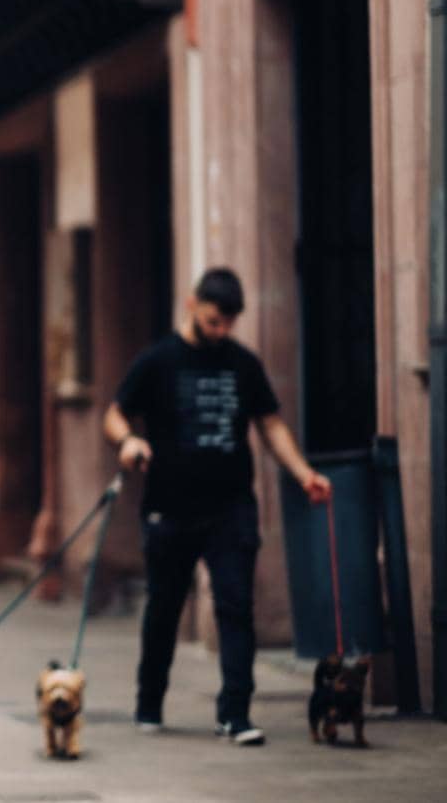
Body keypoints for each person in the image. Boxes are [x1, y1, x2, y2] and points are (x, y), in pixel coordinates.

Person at [103, 267, 332, 746]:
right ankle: (149, 700)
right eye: (213, 322)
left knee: (235, 607)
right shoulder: (158, 361)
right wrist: (128, 441)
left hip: (231, 508)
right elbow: (115, 412)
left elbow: (270, 425)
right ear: (192, 305)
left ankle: (235, 714)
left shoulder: (243, 364)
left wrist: (303, 473)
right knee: (164, 608)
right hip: (169, 508)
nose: (221, 332)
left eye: (228, 324)